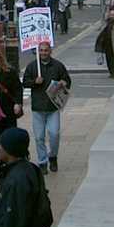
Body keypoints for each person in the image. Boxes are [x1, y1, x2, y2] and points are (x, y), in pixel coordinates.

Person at [22, 42, 71, 174]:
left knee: (54, 134)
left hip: (53, 108)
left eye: (46, 50)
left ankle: (53, 156)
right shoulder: (32, 66)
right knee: (39, 137)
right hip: (38, 108)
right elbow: (25, 83)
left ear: (50, 51)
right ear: (38, 52)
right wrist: (34, 82)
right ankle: (42, 162)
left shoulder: (58, 66)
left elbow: (67, 80)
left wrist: (64, 82)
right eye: (41, 50)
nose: (43, 53)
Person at [95, 10, 114, 79]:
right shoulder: (106, 22)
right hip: (107, 43)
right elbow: (101, 29)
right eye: (111, 15)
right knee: (108, 59)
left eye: (113, 15)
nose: (112, 16)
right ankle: (111, 72)